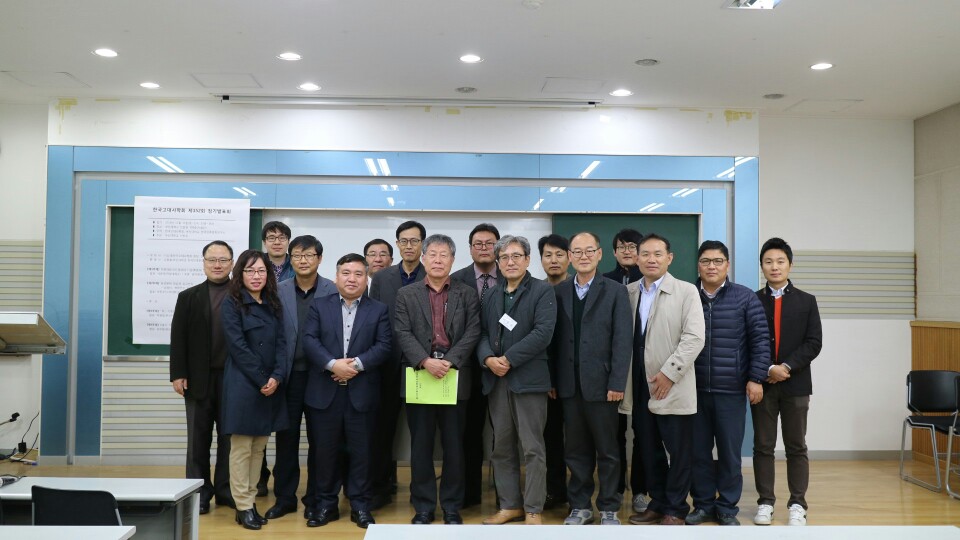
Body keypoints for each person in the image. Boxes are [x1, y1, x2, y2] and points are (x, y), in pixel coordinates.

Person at [393, 234, 481, 525]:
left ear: (453, 260)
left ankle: (452, 506)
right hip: (420, 375)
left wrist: (450, 361)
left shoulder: (467, 293)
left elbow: (473, 331)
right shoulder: (406, 294)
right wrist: (425, 360)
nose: (438, 260)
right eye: (433, 254)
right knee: (421, 446)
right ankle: (423, 506)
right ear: (423, 258)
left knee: (454, 446)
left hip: (454, 377)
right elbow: (402, 332)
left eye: (444, 255)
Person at [302, 253, 392, 529]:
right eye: (346, 273)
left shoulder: (379, 309)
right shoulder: (319, 306)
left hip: (362, 393)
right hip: (324, 393)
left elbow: (384, 345)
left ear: (366, 279)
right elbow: (309, 340)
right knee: (324, 453)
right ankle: (325, 505)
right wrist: (333, 365)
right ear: (336, 276)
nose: (352, 279)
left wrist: (355, 365)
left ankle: (360, 505)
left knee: (362, 453)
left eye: (358, 274)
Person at [685, 240, 770, 526]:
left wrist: (755, 378)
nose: (711, 266)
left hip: (731, 390)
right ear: (698, 265)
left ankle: (726, 508)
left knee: (730, 454)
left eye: (717, 261)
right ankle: (703, 504)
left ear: (727, 265)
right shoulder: (686, 295)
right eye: (706, 261)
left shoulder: (745, 298)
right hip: (693, 390)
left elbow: (760, 341)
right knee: (698, 452)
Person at [624, 233, 704, 526]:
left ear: (669, 258)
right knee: (648, 448)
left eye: (658, 254)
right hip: (639, 384)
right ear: (637, 259)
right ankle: (657, 504)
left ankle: (676, 508)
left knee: (679, 450)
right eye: (645, 254)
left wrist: (670, 373)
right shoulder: (628, 292)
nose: (651, 259)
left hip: (673, 384)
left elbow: (694, 338)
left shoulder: (686, 292)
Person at [552, 232, 632, 526]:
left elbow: (622, 340)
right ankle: (580, 506)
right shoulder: (559, 292)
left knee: (608, 450)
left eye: (589, 251)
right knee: (575, 451)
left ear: (599, 254)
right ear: (569, 257)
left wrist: (617, 382)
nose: (583, 256)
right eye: (577, 251)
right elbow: (553, 341)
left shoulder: (615, 291)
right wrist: (553, 380)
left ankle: (609, 507)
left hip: (603, 385)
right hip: (569, 385)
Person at [478, 235, 556, 525]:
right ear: (498, 263)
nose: (510, 262)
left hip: (529, 380)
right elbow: (482, 333)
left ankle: (533, 507)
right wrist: (488, 358)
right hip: (497, 381)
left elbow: (543, 333)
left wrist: (508, 359)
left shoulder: (542, 291)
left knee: (533, 447)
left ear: (527, 260)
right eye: (504, 258)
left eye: (516, 256)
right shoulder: (491, 294)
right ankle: (510, 505)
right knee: (501, 447)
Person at [265, 236, 337, 521]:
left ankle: (315, 497)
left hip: (323, 376)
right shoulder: (278, 290)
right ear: (290, 259)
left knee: (321, 441)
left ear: (319, 258)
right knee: (286, 438)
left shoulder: (333, 289)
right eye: (297, 255)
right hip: (289, 376)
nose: (303, 260)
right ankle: (285, 498)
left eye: (309, 255)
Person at [752, 237, 822, 527]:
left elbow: (814, 342)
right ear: (762, 266)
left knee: (796, 446)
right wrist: (768, 368)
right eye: (768, 261)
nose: (774, 266)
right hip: (763, 383)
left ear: (790, 264)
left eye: (780, 261)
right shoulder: (753, 300)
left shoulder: (806, 301)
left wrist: (786, 366)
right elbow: (748, 341)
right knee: (763, 445)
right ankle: (765, 502)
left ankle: (797, 504)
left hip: (796, 384)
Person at [220, 250, 289, 530]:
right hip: (244, 382)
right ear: (240, 274)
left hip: (270, 383)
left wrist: (277, 376)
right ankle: (243, 505)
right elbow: (238, 347)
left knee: (259, 446)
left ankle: (250, 501)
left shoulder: (273, 301)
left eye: (261, 270)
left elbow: (283, 342)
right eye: (250, 271)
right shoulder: (232, 302)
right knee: (241, 448)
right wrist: (262, 378)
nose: (256, 276)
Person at [170, 240, 236, 515]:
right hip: (198, 379)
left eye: (223, 260)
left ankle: (226, 490)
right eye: (212, 260)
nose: (217, 265)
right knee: (197, 440)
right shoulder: (188, 296)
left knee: (229, 439)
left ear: (232, 263)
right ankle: (198, 493)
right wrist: (178, 374)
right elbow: (178, 337)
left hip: (233, 379)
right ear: (204, 263)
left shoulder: (242, 294)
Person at [368, 220, 427, 508]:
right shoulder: (382, 278)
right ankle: (380, 488)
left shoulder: (433, 274)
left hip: (422, 366)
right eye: (404, 241)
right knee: (382, 430)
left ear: (422, 245)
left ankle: (421, 493)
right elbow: (372, 320)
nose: (409, 246)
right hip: (386, 364)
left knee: (422, 433)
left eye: (414, 241)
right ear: (397, 244)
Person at [451, 222, 503, 506]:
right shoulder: (455, 279)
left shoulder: (512, 275)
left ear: (499, 247)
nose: (484, 248)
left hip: (503, 368)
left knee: (503, 434)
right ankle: (469, 493)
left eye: (489, 243)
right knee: (467, 433)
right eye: (478, 244)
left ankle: (505, 496)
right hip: (465, 369)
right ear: (470, 249)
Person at [601, 227, 648, 515]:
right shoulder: (604, 281)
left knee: (643, 430)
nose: (627, 251)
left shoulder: (650, 280)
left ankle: (641, 489)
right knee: (614, 432)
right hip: (612, 369)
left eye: (632, 246)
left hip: (643, 367)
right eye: (622, 247)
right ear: (613, 252)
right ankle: (616, 487)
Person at [538, 234, 571, 509]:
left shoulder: (578, 289)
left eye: (559, 254)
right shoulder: (537, 291)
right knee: (550, 439)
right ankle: (555, 489)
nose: (554, 260)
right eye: (548, 255)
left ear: (569, 257)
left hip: (578, 379)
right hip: (546, 381)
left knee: (580, 440)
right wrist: (548, 378)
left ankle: (580, 494)